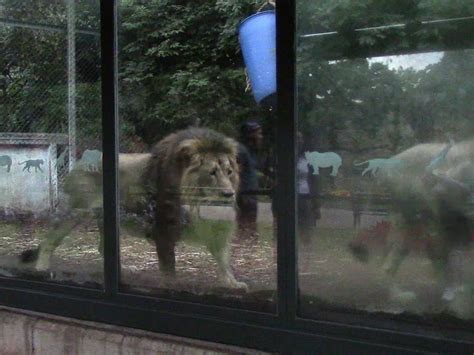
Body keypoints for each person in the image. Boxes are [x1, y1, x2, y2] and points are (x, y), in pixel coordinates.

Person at [237, 120, 263, 240]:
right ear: (250, 135)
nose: (260, 137)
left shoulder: (251, 151)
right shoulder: (241, 151)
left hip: (251, 194)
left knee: (251, 227)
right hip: (246, 195)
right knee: (246, 225)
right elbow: (237, 172)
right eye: (258, 133)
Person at [297, 131, 321, 245]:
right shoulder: (284, 159)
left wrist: (316, 204)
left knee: (306, 228)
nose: (299, 142)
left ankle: (306, 252)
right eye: (296, 139)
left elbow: (314, 180)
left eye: (300, 139)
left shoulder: (307, 159)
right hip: (290, 197)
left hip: (305, 197)